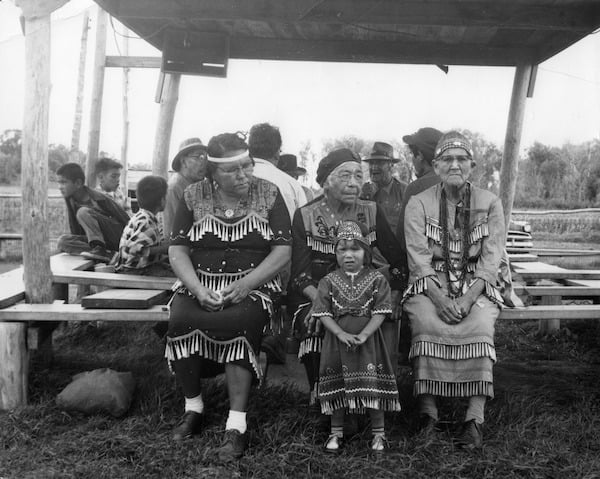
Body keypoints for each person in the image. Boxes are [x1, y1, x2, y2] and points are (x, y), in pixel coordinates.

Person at [166, 132, 292, 461]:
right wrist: (195, 288)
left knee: (240, 322)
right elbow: (177, 249)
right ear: (212, 173)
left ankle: (236, 425)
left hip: (254, 284)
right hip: (200, 282)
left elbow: (282, 250)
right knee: (180, 319)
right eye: (232, 170)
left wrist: (248, 284)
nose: (243, 175)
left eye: (247, 166)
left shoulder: (269, 193)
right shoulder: (193, 194)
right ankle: (193, 407)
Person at [403, 131, 505, 449]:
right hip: (430, 282)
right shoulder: (419, 203)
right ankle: (428, 415)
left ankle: (474, 418)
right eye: (447, 159)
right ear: (435, 165)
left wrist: (468, 297)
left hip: (477, 283)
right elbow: (418, 260)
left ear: (472, 165)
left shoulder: (490, 202)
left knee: (480, 324)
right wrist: (439, 297)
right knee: (425, 321)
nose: (455, 165)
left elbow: (491, 261)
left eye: (462, 159)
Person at [290, 148, 406, 404]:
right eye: (345, 176)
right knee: (314, 322)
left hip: (361, 290)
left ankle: (365, 394)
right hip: (316, 292)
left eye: (357, 175)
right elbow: (299, 275)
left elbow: (398, 263)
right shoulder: (306, 215)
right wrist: (322, 303)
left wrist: (395, 294)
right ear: (326, 183)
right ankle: (321, 393)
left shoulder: (372, 211)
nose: (354, 183)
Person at [314, 221, 401, 453]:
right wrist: (340, 333)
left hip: (368, 343)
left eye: (355, 249)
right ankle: (336, 432)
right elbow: (323, 313)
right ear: (335, 253)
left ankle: (379, 434)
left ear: (366, 252)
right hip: (337, 343)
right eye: (342, 250)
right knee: (339, 386)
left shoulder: (377, 280)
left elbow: (381, 312)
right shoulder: (328, 281)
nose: (349, 255)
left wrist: (364, 334)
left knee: (372, 385)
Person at [248, 123, 307, 364]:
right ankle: (273, 333)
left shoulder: (237, 177)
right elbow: (302, 228)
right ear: (277, 152)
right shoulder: (291, 184)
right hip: (278, 263)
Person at [56, 163, 130, 263]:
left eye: (63, 182)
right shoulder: (70, 199)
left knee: (83, 212)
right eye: (59, 183)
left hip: (117, 236)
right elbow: (75, 229)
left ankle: (100, 249)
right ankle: (108, 254)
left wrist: (131, 244)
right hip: (101, 242)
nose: (60, 187)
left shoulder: (99, 198)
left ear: (78, 183)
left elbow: (124, 217)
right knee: (62, 242)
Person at [114, 175, 172, 276]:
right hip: (133, 271)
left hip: (140, 268)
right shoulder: (145, 222)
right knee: (177, 279)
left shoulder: (145, 217)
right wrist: (165, 249)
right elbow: (133, 248)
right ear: (162, 200)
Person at [397, 127, 444, 249]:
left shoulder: (416, 189)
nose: (412, 160)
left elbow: (402, 240)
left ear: (420, 156)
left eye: (413, 154)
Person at [162, 138, 208, 240]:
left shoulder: (201, 184)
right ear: (183, 162)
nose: (204, 162)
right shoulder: (174, 188)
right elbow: (172, 234)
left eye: (205, 157)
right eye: (199, 157)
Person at [360, 142, 407, 236]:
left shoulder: (405, 191)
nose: (374, 167)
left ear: (391, 165)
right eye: (371, 163)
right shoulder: (363, 194)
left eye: (380, 163)